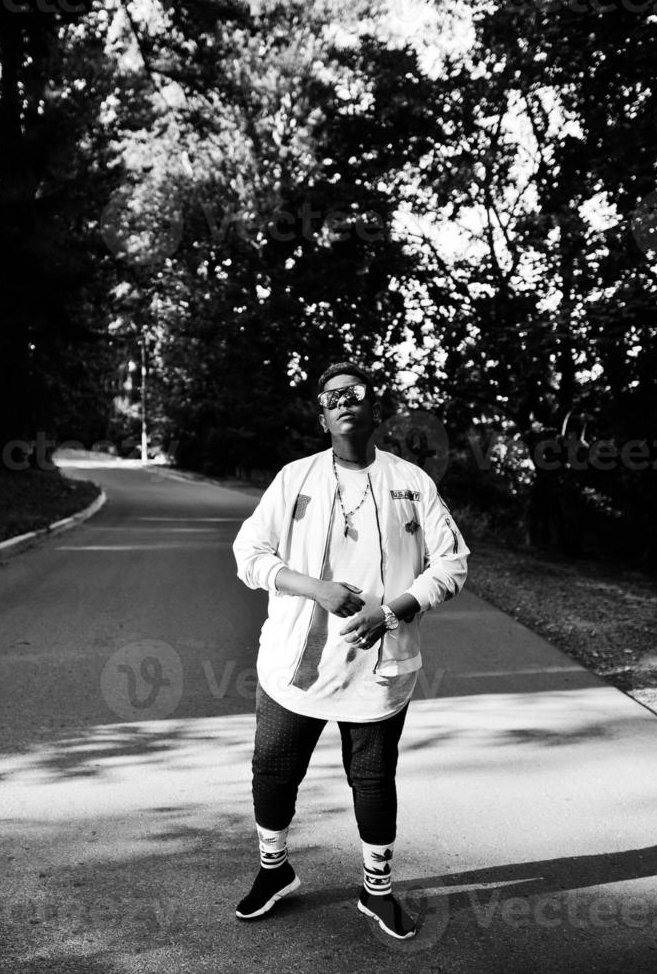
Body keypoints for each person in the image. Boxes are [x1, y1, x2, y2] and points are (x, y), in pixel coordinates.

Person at [230, 361, 470, 939]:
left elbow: (452, 562)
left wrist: (392, 611)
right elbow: (248, 554)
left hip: (379, 665)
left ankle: (377, 890)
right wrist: (316, 588)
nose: (344, 401)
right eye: (331, 395)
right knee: (273, 771)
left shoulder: (411, 482)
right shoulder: (295, 478)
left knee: (372, 778)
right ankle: (274, 868)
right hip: (296, 663)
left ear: (374, 410)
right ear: (321, 415)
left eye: (356, 393)